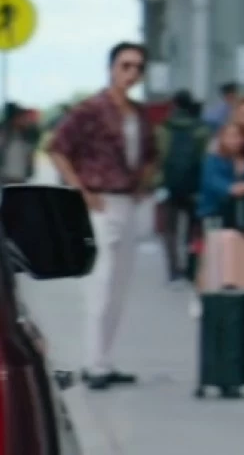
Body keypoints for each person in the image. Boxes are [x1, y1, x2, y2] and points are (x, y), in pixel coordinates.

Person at [49, 41, 159, 391]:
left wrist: (144, 182)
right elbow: (58, 148)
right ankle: (93, 362)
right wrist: (81, 190)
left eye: (138, 67)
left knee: (121, 284)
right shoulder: (90, 109)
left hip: (128, 199)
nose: (131, 73)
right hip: (100, 201)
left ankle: (105, 359)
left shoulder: (139, 114)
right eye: (125, 66)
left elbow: (151, 153)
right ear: (112, 68)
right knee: (102, 280)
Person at [192, 122, 244, 317]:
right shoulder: (214, 160)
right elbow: (218, 185)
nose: (235, 141)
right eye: (230, 136)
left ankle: (232, 296)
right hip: (215, 212)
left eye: (238, 136)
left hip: (242, 215)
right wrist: (241, 187)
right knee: (211, 257)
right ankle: (202, 296)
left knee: (236, 257)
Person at [156, 89, 210, 284]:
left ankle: (173, 270)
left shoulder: (164, 128)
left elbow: (158, 158)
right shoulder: (201, 129)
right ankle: (191, 267)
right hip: (194, 186)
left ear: (174, 105)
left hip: (168, 186)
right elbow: (206, 158)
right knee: (193, 229)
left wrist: (157, 183)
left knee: (169, 230)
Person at [0, 102, 35, 185]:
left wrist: (30, 169)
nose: (25, 120)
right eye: (21, 117)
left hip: (21, 176)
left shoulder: (26, 135)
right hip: (6, 176)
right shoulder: (5, 134)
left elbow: (29, 154)